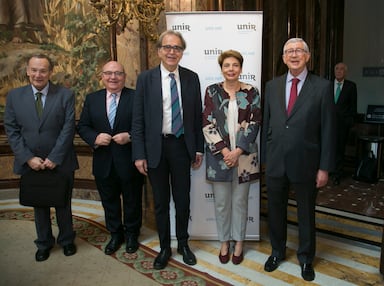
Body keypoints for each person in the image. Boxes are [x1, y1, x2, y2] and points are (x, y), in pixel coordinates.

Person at [261, 38, 336, 281]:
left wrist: (324, 167)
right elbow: (268, 124)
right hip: (275, 162)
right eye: (289, 51)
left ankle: (305, 258)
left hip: (307, 163)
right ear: (283, 58)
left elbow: (328, 131)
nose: (294, 55)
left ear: (308, 56)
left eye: (299, 51)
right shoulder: (272, 86)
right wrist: (265, 158)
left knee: (306, 213)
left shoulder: (323, 87)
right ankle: (277, 251)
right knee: (275, 210)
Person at [131, 30, 204, 270]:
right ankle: (164, 247)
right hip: (156, 148)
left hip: (182, 147)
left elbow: (197, 118)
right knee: (161, 202)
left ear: (182, 52)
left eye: (177, 48)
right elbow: (138, 120)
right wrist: (139, 153)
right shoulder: (145, 79)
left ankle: (183, 244)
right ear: (159, 50)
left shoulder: (192, 78)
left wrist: (199, 149)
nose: (172, 52)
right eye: (167, 47)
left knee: (183, 200)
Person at [4, 54, 78, 262]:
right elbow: (12, 129)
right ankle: (44, 243)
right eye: (34, 70)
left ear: (50, 72)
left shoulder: (65, 95)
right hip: (31, 162)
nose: (38, 74)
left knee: (63, 203)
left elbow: (68, 127)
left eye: (43, 70)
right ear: (27, 71)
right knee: (40, 204)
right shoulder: (14, 96)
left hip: (61, 160)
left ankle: (66, 240)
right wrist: (28, 157)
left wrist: (55, 156)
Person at [77, 61, 144, 255]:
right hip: (103, 162)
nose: (113, 77)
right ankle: (115, 234)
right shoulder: (92, 99)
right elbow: (83, 126)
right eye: (108, 73)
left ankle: (132, 234)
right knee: (109, 201)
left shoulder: (136, 97)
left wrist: (129, 136)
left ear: (124, 76)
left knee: (132, 200)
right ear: (102, 76)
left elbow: (146, 125)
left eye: (117, 73)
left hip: (130, 160)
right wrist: (95, 138)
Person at [202, 50, 261, 265]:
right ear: (221, 68)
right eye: (227, 65)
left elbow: (255, 124)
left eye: (235, 65)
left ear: (241, 68)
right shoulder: (212, 91)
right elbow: (207, 124)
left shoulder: (252, 92)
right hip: (220, 159)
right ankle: (224, 242)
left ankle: (239, 243)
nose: (231, 69)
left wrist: (238, 151)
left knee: (240, 203)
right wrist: (226, 152)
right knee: (221, 204)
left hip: (244, 159)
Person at [331, 62, 358, 185]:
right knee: (327, 148)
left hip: (342, 124)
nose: (339, 71)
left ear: (345, 72)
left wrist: (349, 122)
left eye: (341, 69)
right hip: (328, 123)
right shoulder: (327, 85)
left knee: (339, 150)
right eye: (337, 69)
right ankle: (327, 171)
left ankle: (337, 174)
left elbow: (353, 106)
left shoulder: (351, 86)